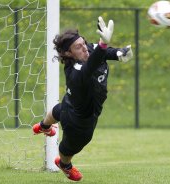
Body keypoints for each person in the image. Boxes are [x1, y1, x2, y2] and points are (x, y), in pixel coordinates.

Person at [32, 16, 133, 181]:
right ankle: (64, 164)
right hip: (79, 120)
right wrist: (103, 45)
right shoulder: (76, 72)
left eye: (83, 43)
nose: (84, 48)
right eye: (78, 47)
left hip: (69, 103)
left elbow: (99, 51)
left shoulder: (88, 49)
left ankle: (44, 126)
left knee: (58, 110)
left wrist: (118, 52)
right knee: (69, 148)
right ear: (68, 53)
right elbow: (91, 65)